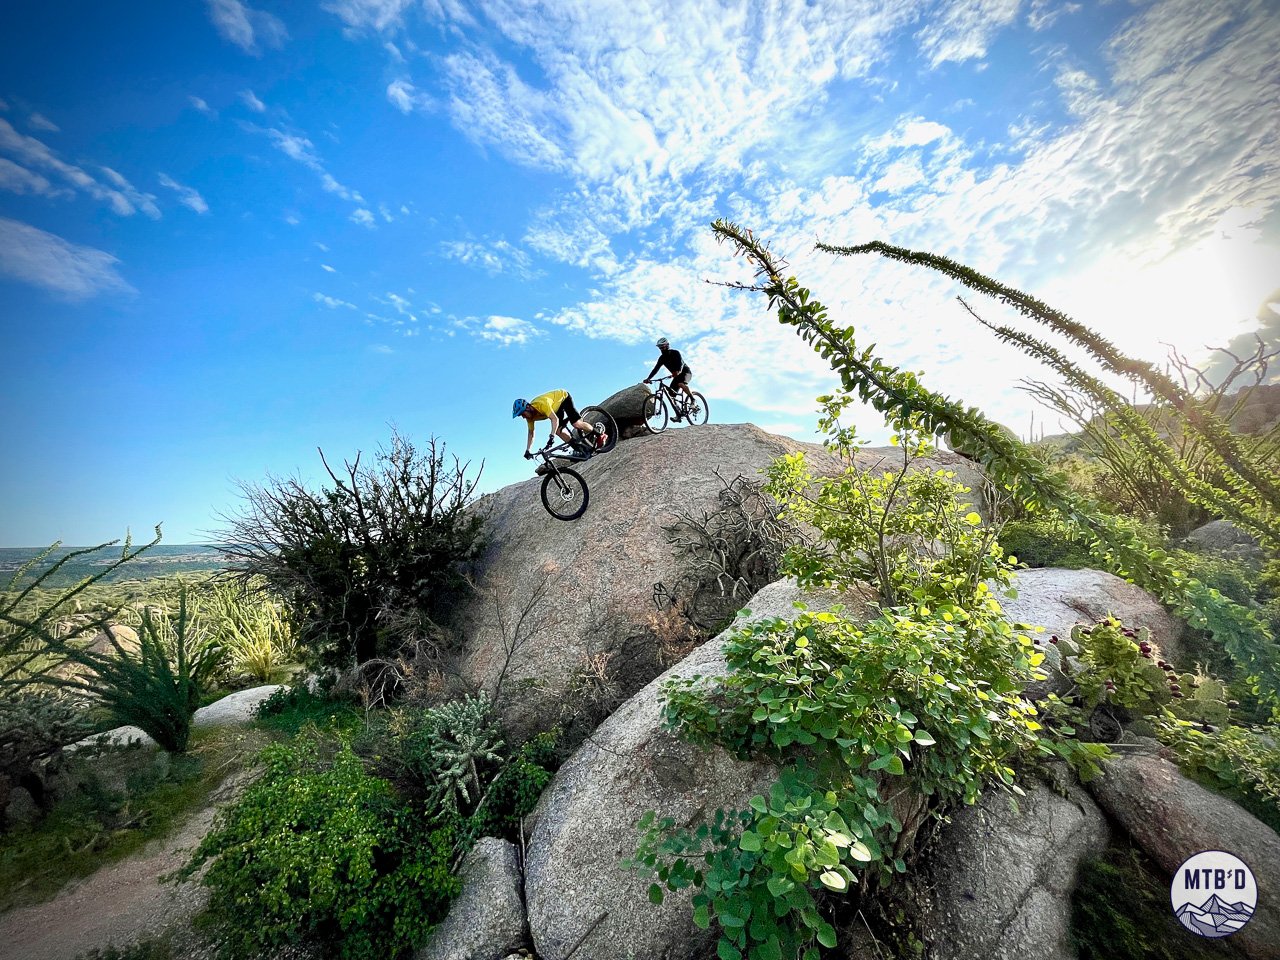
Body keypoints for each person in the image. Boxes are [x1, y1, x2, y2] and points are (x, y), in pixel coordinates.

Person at [513, 390, 606, 459]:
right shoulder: (530, 418)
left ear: (528, 407)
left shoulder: (541, 405)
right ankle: (580, 449)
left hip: (563, 398)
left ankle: (600, 434)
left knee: (576, 424)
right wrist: (528, 450)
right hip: (555, 409)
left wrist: (551, 436)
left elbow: (554, 419)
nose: (523, 417)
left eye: (522, 414)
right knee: (558, 431)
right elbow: (531, 433)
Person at [644, 337, 694, 418]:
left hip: (685, 372)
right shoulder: (662, 358)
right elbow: (655, 369)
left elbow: (681, 364)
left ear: (667, 345)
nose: (661, 348)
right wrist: (648, 378)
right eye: (660, 347)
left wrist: (678, 371)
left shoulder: (675, 353)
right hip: (676, 376)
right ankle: (679, 414)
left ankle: (693, 400)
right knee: (671, 395)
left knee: (680, 384)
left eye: (663, 346)